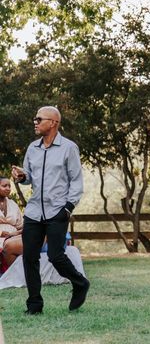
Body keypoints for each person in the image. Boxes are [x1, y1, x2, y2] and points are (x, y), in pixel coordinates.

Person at [11, 106, 90, 314]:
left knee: (56, 256)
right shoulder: (32, 148)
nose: (35, 122)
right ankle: (34, 305)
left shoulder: (69, 148)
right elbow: (29, 178)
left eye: (39, 119)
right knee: (29, 257)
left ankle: (80, 283)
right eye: (35, 118)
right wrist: (21, 176)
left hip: (58, 211)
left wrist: (68, 207)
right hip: (34, 211)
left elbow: (76, 180)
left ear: (53, 122)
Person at [0, 177, 23, 269]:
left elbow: (21, 225)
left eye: (9, 186)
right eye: (4, 186)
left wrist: (16, 233)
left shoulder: (13, 204)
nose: (8, 188)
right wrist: (1, 233)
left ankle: (16, 274)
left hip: (14, 236)